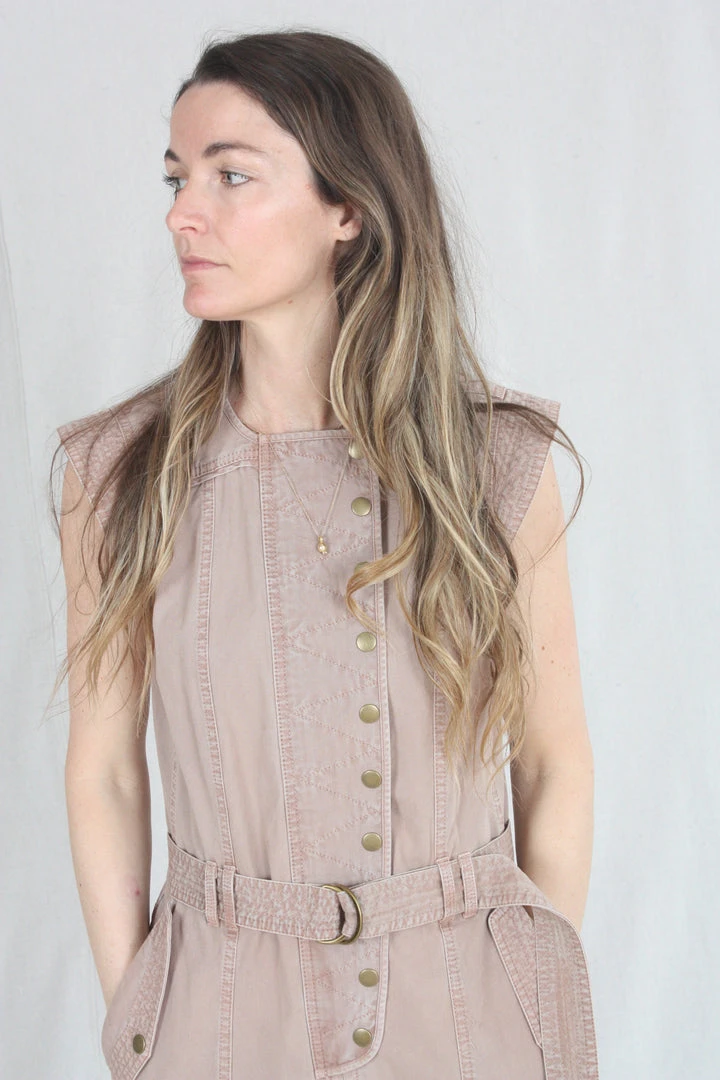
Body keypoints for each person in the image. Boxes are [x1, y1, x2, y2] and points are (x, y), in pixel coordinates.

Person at [50, 28, 598, 1080]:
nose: (181, 213)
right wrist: (138, 1020)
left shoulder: (495, 465)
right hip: (217, 1024)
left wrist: (528, 990)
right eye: (175, 177)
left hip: (470, 1020)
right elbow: (106, 773)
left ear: (348, 206)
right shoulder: (119, 473)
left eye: (230, 175)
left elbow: (554, 762)